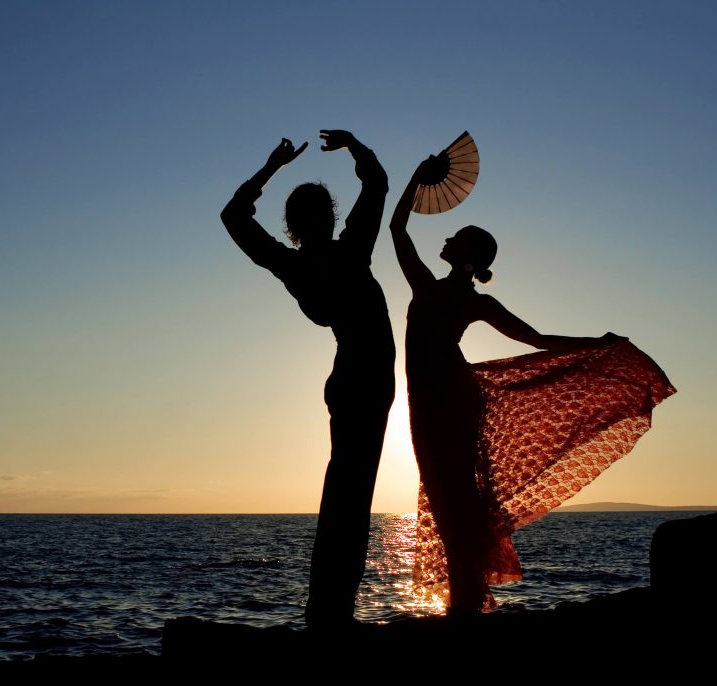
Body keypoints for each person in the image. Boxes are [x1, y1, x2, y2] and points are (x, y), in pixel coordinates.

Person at [389, 157, 676, 612]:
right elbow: (397, 230)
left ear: (467, 255)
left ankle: (465, 599)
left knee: (454, 495)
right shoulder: (439, 290)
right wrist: (415, 180)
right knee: (452, 495)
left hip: (447, 400)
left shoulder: (444, 293)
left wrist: (596, 343)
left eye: (456, 236)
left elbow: (537, 341)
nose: (445, 238)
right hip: (433, 397)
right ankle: (465, 596)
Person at [221, 131, 395, 628]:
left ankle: (331, 608)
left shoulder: (329, 254)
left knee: (348, 493)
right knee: (348, 495)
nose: (326, 219)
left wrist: (353, 145)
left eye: (325, 212)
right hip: (360, 379)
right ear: (303, 225)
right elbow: (234, 218)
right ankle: (329, 612)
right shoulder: (316, 259)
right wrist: (274, 167)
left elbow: (376, 185)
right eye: (316, 214)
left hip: (361, 378)